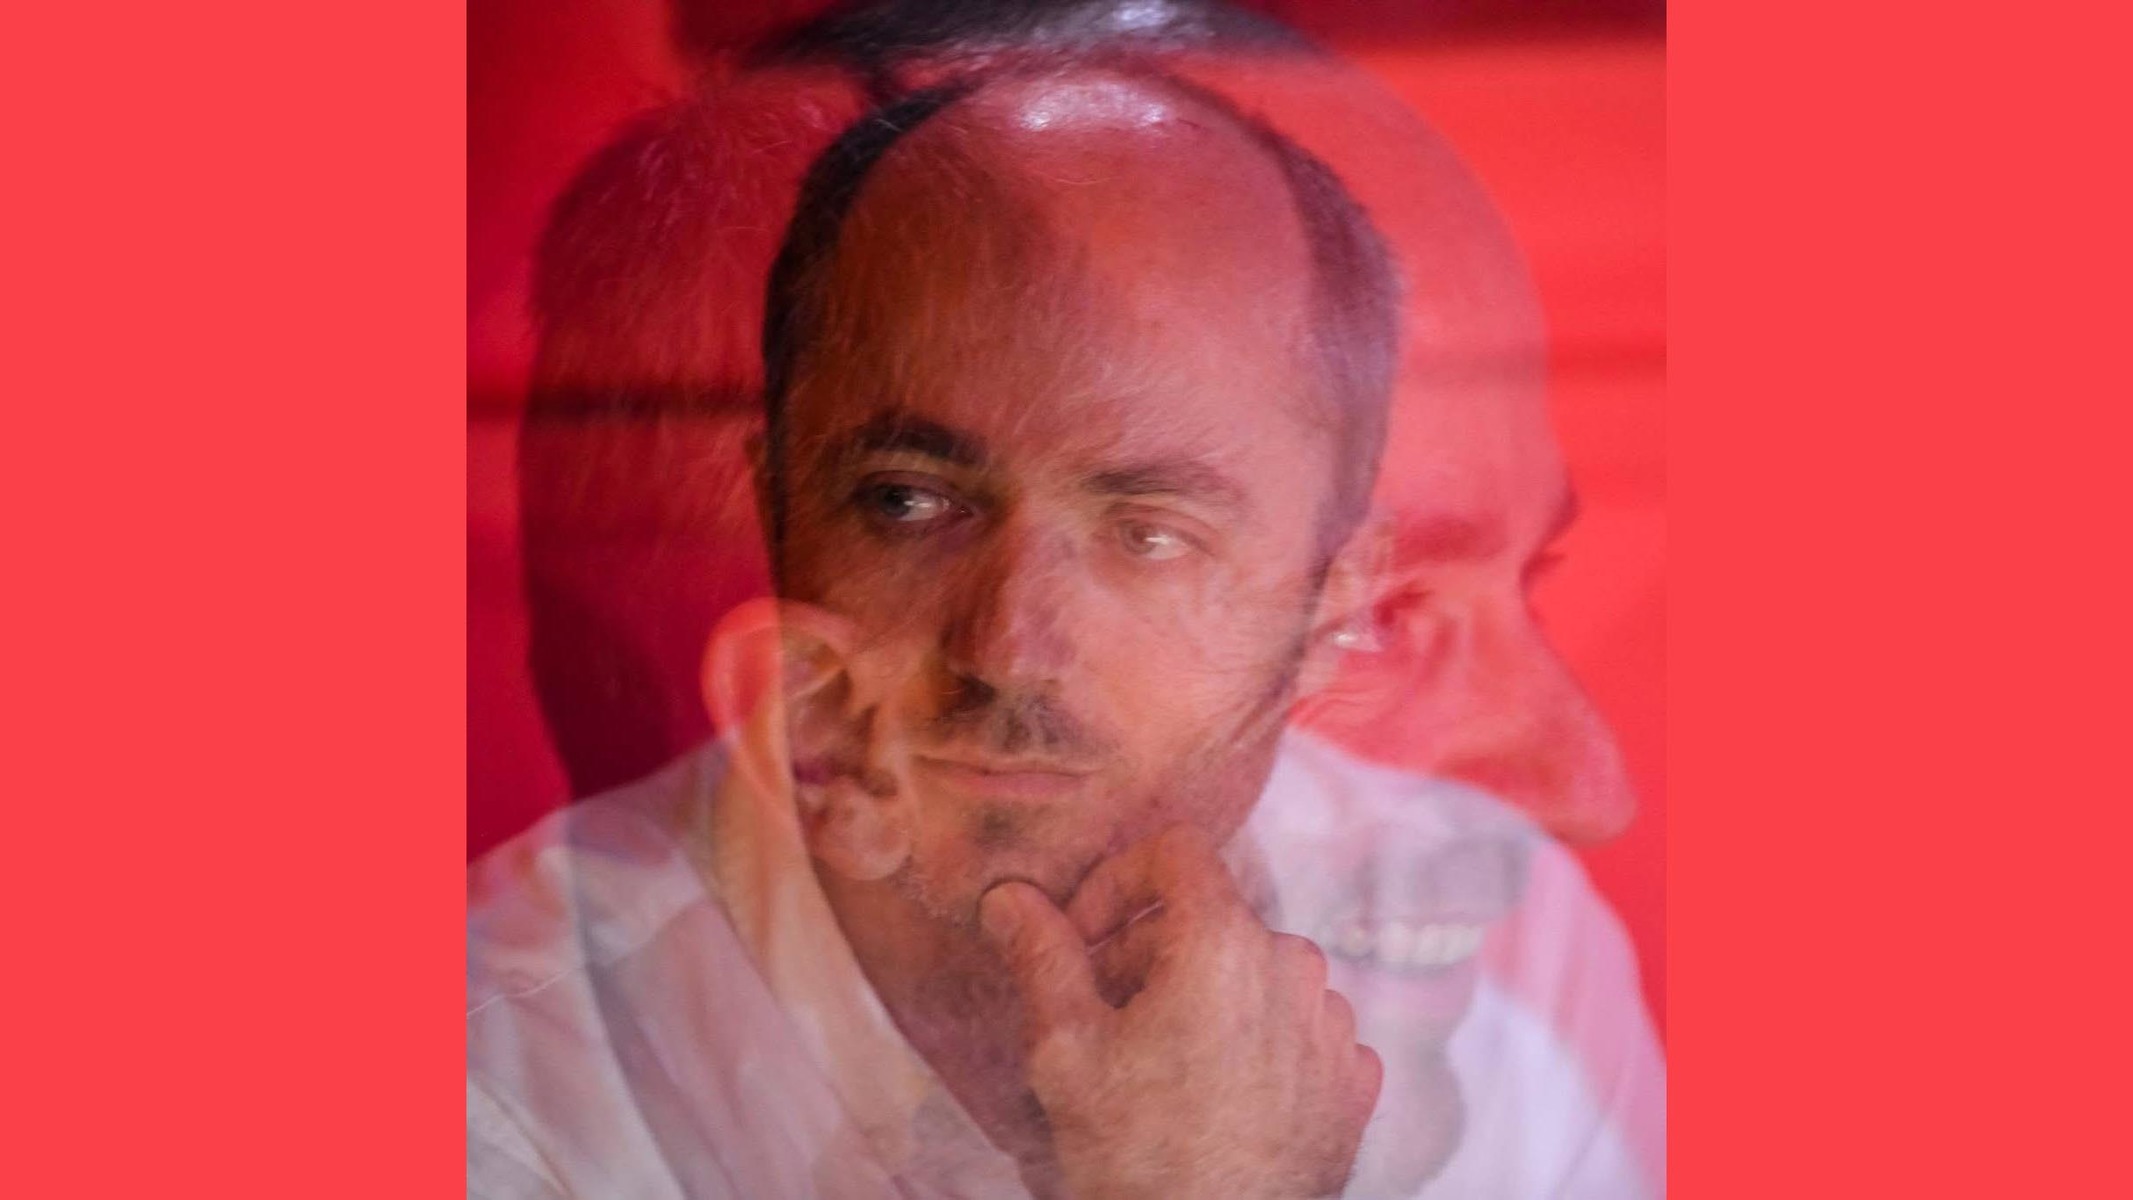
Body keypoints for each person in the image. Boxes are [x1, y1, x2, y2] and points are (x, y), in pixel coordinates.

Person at [483, 8, 1662, 1198]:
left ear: (1328, 604)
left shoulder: (1504, 963)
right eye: (907, 502)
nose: (1007, 645)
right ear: (778, 511)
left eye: (1151, 536)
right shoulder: (496, 1072)